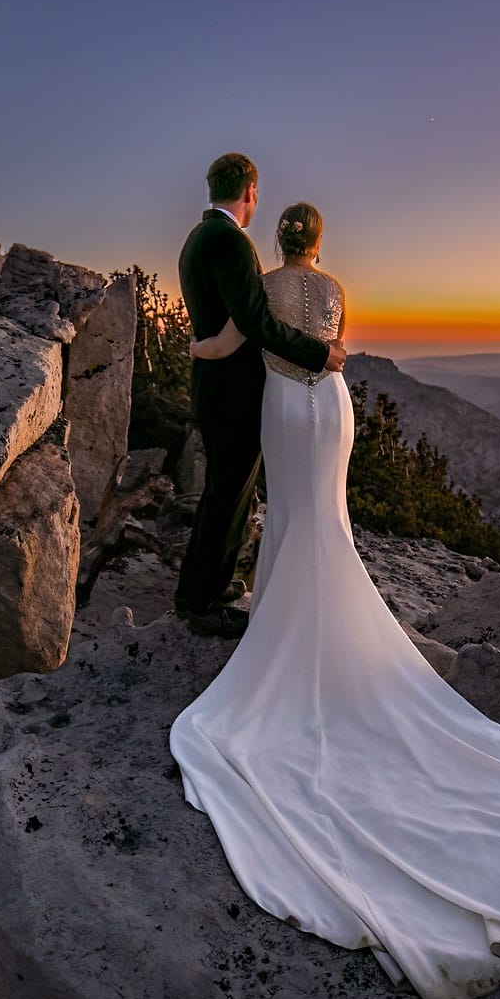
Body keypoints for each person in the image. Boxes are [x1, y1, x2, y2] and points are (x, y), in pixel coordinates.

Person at [169, 200, 500, 999]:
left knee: (294, 514)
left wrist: (195, 345)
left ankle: (285, 623)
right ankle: (323, 620)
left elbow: (238, 340)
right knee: (325, 517)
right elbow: (334, 349)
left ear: (278, 242)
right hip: (329, 409)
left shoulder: (260, 284)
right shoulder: (334, 286)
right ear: (321, 243)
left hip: (280, 407)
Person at [172, 153, 346, 639]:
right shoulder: (230, 241)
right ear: (250, 190)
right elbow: (254, 322)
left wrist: (203, 346)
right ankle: (199, 601)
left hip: (218, 385)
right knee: (227, 497)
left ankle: (212, 586)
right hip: (232, 392)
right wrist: (319, 353)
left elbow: (229, 321)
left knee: (230, 493)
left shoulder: (196, 238)